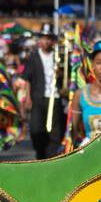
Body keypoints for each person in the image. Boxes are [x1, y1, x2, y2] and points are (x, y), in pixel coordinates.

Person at [21, 23, 66, 159]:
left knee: (54, 130)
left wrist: (62, 76)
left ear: (53, 40)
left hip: (55, 96)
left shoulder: (59, 56)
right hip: (38, 97)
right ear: (39, 40)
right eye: (43, 38)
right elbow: (27, 78)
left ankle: (51, 156)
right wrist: (27, 97)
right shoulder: (33, 57)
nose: (46, 41)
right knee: (36, 129)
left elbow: (67, 76)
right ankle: (40, 153)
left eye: (49, 38)